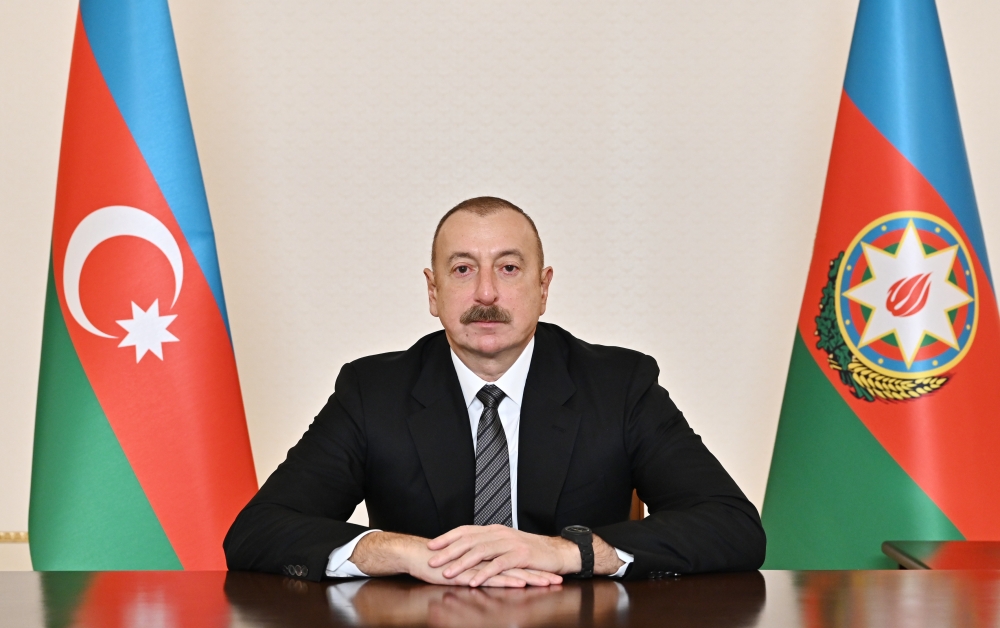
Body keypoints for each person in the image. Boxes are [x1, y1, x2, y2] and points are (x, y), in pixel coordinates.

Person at [224, 197, 766, 586]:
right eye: (463, 270)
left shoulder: (619, 385)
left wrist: (569, 553)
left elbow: (732, 526)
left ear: (543, 288)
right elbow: (257, 532)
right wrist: (402, 552)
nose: (486, 293)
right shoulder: (373, 392)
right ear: (433, 292)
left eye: (508, 268)